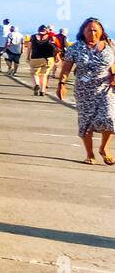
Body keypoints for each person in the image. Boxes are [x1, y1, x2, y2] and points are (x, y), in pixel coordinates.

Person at [57, 17, 115, 165]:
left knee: (110, 118)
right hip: (84, 91)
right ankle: (90, 153)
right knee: (86, 122)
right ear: (83, 31)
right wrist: (61, 84)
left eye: (95, 30)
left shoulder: (110, 45)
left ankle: (104, 148)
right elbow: (66, 68)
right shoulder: (75, 48)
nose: (93, 33)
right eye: (89, 30)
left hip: (105, 89)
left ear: (101, 31)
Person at [28, 24, 58, 96]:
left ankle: (37, 84)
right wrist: (56, 57)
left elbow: (29, 47)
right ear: (46, 30)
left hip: (35, 57)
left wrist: (27, 56)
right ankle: (42, 91)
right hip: (48, 59)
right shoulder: (51, 37)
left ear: (38, 30)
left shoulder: (33, 37)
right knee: (44, 75)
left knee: (34, 73)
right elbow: (55, 48)